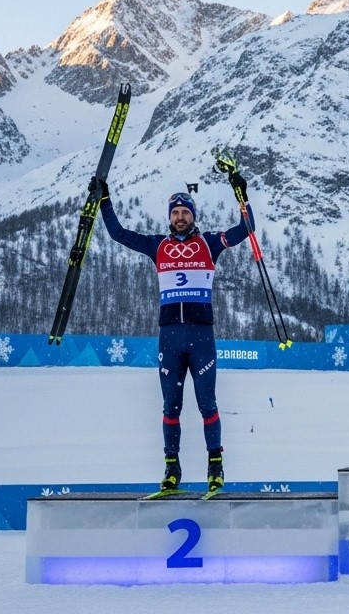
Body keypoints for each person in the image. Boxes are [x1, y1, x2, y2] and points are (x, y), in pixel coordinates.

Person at [94, 174, 253, 493]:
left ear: (193, 215)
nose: (180, 217)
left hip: (201, 338)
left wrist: (242, 196)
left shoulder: (209, 243)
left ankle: (215, 466)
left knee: (208, 404)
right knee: (171, 407)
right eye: (175, 213)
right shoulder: (158, 246)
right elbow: (118, 233)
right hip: (170, 338)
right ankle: (171, 468)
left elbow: (245, 229)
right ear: (170, 217)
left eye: (185, 212)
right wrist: (104, 199)